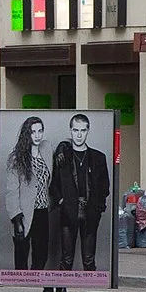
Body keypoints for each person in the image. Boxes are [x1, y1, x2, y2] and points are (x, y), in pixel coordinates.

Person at [47, 113, 111, 271]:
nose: (79, 134)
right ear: (70, 131)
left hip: (90, 210)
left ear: (88, 131)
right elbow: (53, 184)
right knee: (66, 258)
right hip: (68, 211)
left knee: (89, 259)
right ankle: (62, 291)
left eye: (83, 130)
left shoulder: (98, 157)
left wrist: (99, 206)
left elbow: (105, 186)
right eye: (76, 130)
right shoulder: (63, 157)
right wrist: (62, 202)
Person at [0, 116, 50, 270]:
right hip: (24, 212)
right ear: (26, 134)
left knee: (41, 252)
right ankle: (21, 283)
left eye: (40, 131)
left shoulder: (47, 149)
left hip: (42, 210)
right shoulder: (17, 158)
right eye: (33, 132)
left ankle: (36, 279)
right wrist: (16, 217)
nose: (37, 135)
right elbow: (11, 190)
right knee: (22, 251)